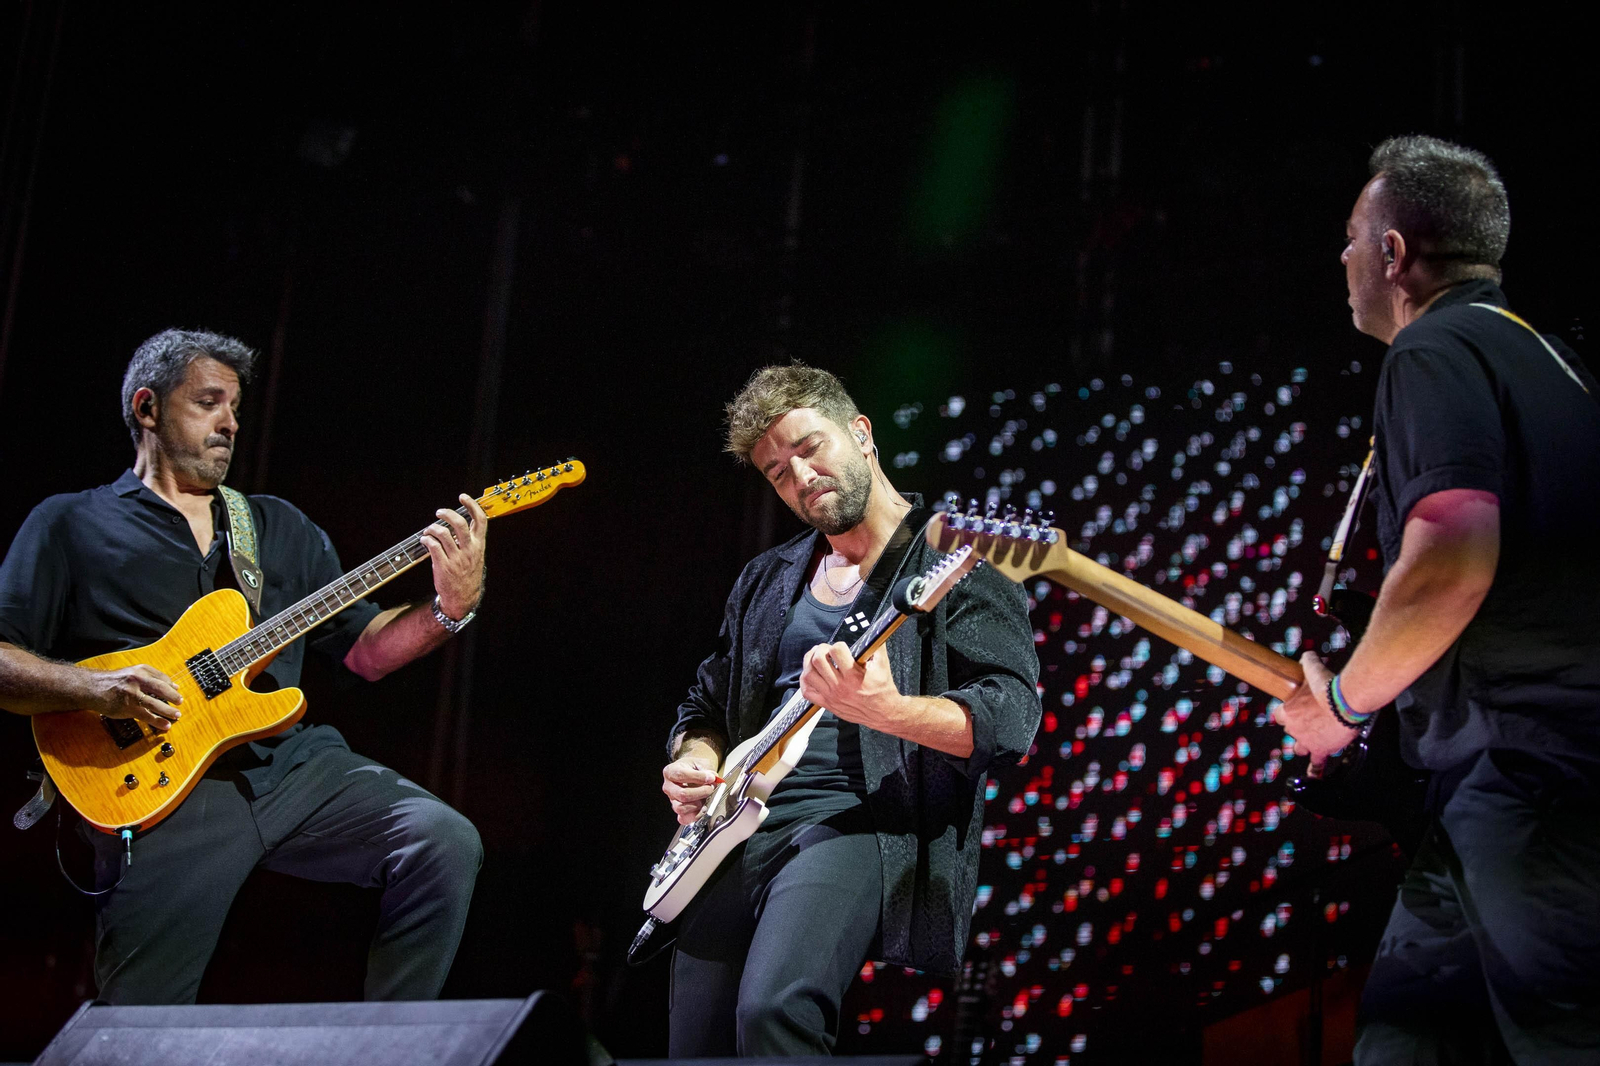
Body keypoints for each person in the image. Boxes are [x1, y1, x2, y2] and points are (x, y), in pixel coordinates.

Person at [0, 329, 486, 1005]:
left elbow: (367, 651)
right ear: (147, 408)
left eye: (235, 407)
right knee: (137, 1025)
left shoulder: (276, 525)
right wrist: (96, 687)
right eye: (209, 403)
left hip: (294, 768)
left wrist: (448, 609)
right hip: (160, 789)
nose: (231, 422)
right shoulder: (68, 524)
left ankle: (390, 1045)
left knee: (441, 841)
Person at [1275, 136, 1600, 1062]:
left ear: (1392, 253)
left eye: (1351, 236)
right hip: (1499, 786)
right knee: (1403, 1044)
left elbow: (1452, 559)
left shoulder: (1433, 348)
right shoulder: (1553, 363)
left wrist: (1343, 705)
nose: (1341, 256)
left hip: (1529, 781)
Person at [660, 364, 1042, 1056]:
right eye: (778, 473)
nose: (801, 477)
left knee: (773, 1013)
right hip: (733, 828)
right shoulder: (766, 579)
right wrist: (695, 759)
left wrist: (886, 710)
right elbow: (705, 704)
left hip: (858, 820)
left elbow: (1010, 717)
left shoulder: (956, 558)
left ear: (861, 433)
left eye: (810, 448)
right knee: (697, 1046)